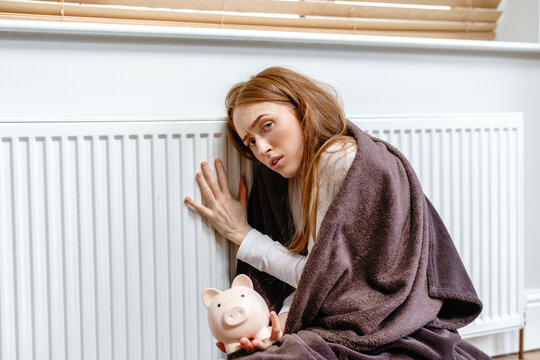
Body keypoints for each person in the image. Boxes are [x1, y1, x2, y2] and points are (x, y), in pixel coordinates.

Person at [184, 67, 489, 359]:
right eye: (250, 141)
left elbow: (323, 280)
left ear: (302, 110)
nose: (262, 148)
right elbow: (319, 279)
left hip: (380, 319)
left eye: (267, 126)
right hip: (340, 313)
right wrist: (282, 323)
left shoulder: (337, 160)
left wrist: (243, 234)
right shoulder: (287, 179)